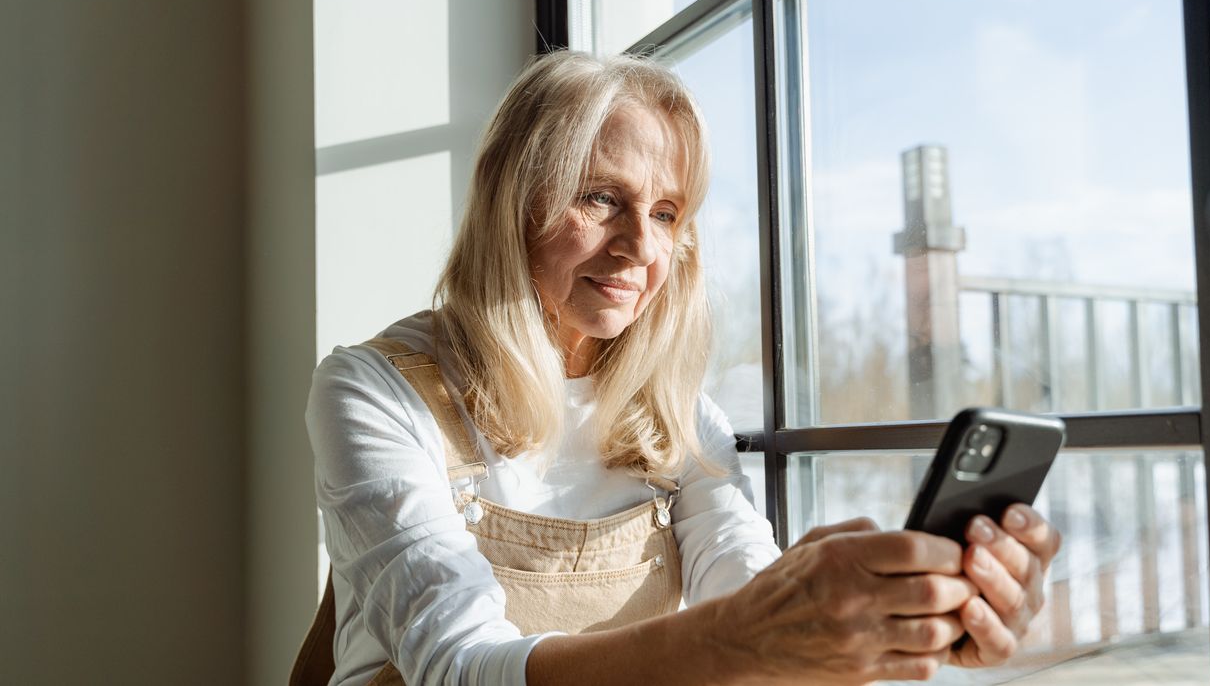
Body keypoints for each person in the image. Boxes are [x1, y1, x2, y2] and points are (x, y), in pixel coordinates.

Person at [300, 51, 1061, 686]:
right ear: (514, 202)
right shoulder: (373, 391)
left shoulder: (679, 415)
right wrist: (750, 634)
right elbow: (457, 667)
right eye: (601, 198)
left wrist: (904, 610)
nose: (640, 246)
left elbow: (747, 589)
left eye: (665, 213)